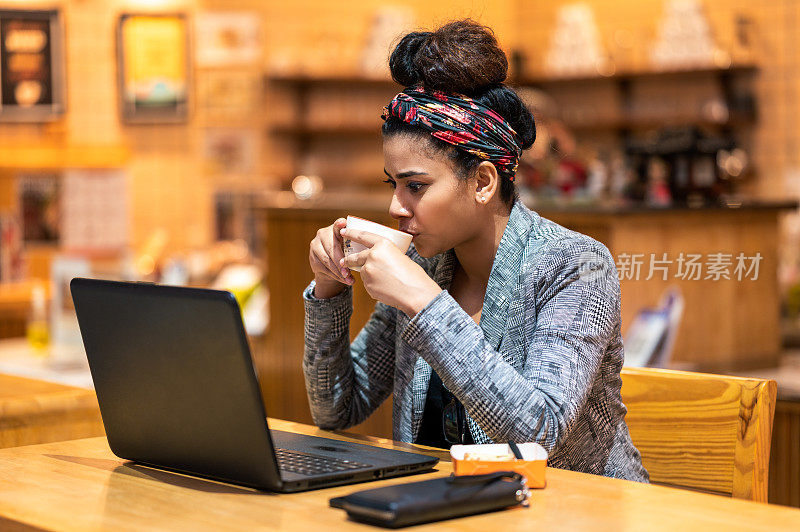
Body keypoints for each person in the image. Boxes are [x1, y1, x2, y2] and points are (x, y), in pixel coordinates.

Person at [302, 19, 648, 482]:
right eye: (393, 184)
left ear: (483, 182)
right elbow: (337, 407)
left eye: (415, 186)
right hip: (452, 509)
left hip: (576, 513)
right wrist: (327, 292)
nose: (394, 206)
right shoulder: (426, 264)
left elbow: (538, 436)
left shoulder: (576, 266)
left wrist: (424, 303)